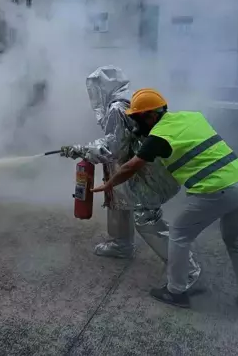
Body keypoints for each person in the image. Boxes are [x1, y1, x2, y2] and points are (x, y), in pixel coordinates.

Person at [92, 87, 238, 318]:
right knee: (236, 241)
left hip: (217, 189)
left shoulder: (159, 136)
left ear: (151, 116)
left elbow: (131, 167)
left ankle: (176, 291)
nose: (135, 125)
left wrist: (109, 184)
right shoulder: (192, 116)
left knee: (179, 234)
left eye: (137, 118)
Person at [60, 66, 201, 290]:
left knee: (146, 218)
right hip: (133, 166)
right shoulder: (130, 99)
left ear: (101, 90)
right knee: (118, 202)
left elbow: (112, 147)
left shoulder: (117, 108)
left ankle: (187, 270)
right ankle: (120, 243)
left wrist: (80, 149)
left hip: (141, 170)